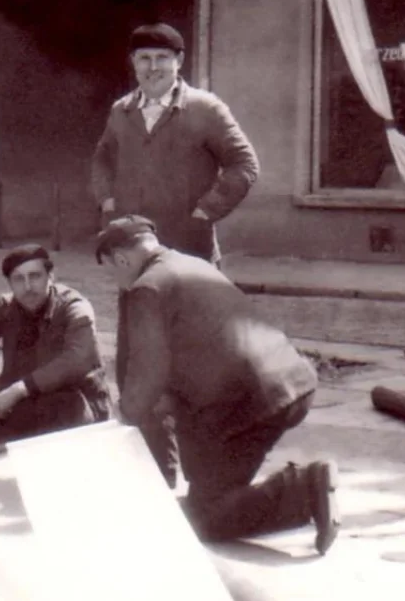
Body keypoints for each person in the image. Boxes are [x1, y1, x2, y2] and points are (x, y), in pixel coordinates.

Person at [97, 215, 339, 555]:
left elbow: (148, 371)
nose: (116, 282)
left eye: (111, 271)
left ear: (122, 259)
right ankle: (298, 489)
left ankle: (304, 488)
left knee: (204, 518)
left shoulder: (147, 288)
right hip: (291, 383)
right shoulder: (193, 264)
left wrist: (125, 414)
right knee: (207, 495)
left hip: (251, 404)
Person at [90, 22, 259, 266]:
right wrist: (107, 201)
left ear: (179, 60)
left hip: (189, 251)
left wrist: (206, 211)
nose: (153, 67)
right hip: (133, 253)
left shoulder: (206, 108)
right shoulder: (122, 110)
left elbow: (244, 164)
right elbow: (102, 159)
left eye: (162, 58)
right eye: (144, 58)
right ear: (133, 62)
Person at [0, 244, 111, 450]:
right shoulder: (6, 308)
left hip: (74, 408)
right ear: (10, 284)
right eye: (18, 279)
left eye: (35, 276)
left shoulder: (74, 306)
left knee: (63, 404)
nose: (27, 287)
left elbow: (78, 359)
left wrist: (20, 388)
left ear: (50, 276)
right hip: (27, 404)